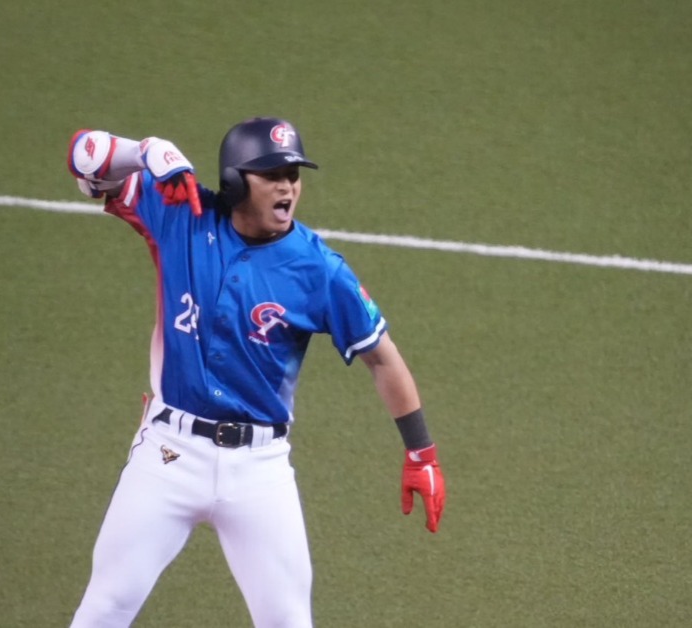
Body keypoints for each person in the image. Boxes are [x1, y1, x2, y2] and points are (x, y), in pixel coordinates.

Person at [65, 117, 446, 627]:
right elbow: (84, 159)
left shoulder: (319, 269)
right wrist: (147, 150)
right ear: (235, 181)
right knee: (105, 607)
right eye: (271, 174)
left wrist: (421, 453)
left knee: (288, 621)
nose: (287, 186)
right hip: (167, 455)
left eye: (293, 174)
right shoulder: (181, 215)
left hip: (259, 470)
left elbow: (383, 358)